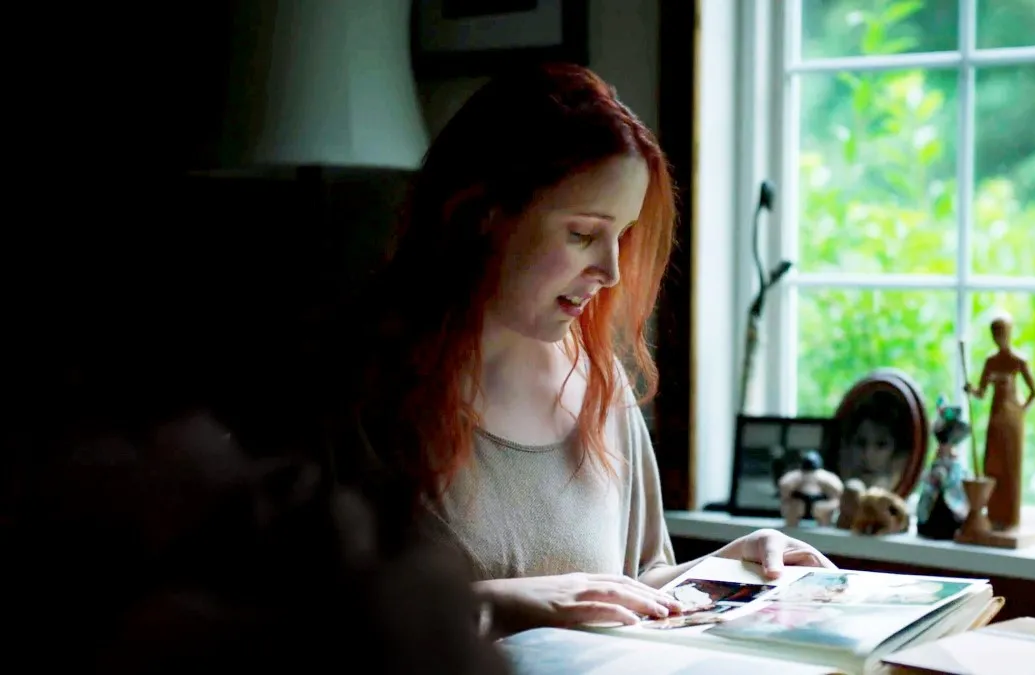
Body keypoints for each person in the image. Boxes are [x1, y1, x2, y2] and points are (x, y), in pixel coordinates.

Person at [337, 63, 835, 637]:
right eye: (581, 234)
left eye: (621, 235)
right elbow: (309, 629)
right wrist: (493, 604)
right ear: (484, 215)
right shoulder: (357, 392)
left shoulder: (598, 380)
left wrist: (727, 567)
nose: (611, 270)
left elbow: (628, 588)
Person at [965, 311, 1035, 530]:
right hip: (995, 416)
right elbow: (981, 392)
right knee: (993, 463)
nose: (999, 338)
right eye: (995, 334)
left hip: (1012, 419)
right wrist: (971, 390)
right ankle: (994, 513)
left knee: (1011, 465)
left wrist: (1021, 410)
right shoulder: (991, 362)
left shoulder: (1018, 361)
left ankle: (1010, 516)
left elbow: (1034, 392)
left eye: (1002, 333)